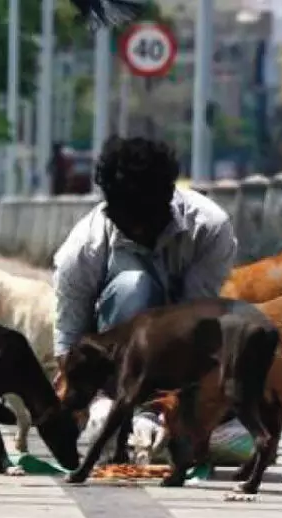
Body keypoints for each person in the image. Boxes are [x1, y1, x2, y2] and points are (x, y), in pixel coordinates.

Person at [52, 135, 237, 374]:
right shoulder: (82, 250)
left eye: (149, 222)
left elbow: (194, 319)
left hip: (184, 352)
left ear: (169, 198)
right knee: (134, 286)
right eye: (130, 224)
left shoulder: (209, 229)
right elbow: (68, 339)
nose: (140, 231)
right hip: (111, 364)